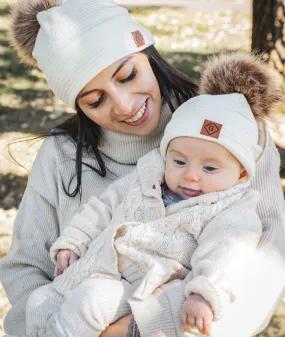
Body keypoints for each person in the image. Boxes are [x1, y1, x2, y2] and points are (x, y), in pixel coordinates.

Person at [0, 0, 284, 336]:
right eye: (95, 100)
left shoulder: (229, 131)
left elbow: (265, 264)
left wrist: (140, 328)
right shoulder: (61, 156)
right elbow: (25, 267)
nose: (125, 105)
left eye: (128, 75)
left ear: (147, 52)